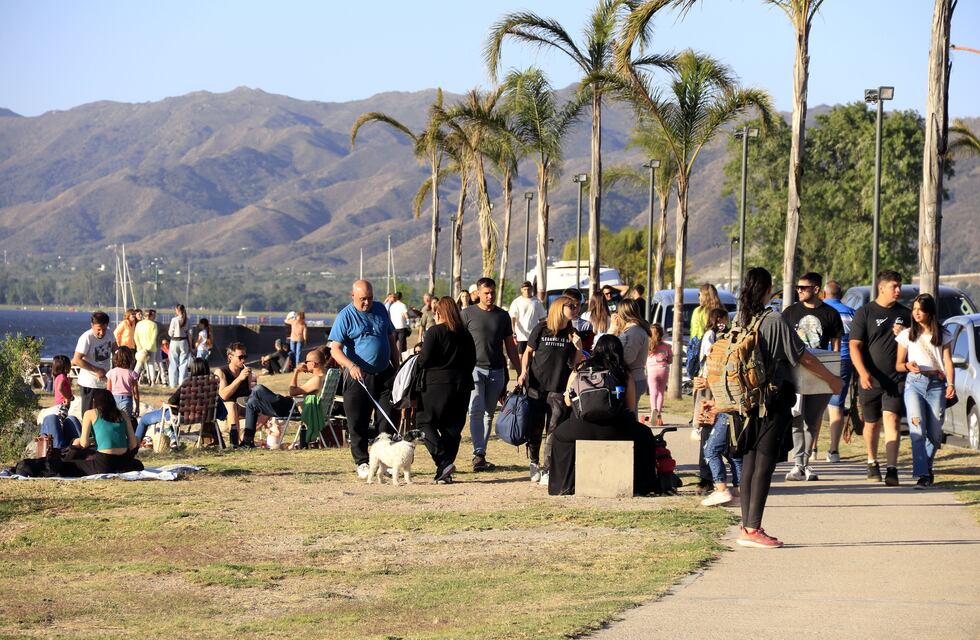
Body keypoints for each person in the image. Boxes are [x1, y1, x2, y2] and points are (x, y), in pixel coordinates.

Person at [731, 267, 842, 548]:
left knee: (751, 461)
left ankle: (747, 526)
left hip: (747, 400)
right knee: (764, 463)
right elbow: (802, 356)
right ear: (767, 289)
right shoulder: (773, 320)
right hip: (773, 398)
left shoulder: (741, 319)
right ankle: (753, 529)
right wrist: (832, 379)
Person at [549, 335, 655, 496]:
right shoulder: (623, 373)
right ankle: (644, 485)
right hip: (616, 428)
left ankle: (563, 485)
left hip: (582, 426)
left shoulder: (580, 369)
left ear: (596, 349)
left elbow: (568, 402)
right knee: (646, 435)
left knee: (560, 436)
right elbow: (630, 406)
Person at [329, 279, 400, 478]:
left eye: (369, 298)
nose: (367, 303)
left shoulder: (380, 309)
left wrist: (398, 365)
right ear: (353, 297)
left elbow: (390, 339)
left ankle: (384, 461)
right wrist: (351, 366)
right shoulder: (345, 316)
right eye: (362, 299)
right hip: (357, 375)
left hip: (385, 372)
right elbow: (335, 349)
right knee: (357, 421)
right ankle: (362, 462)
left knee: (387, 417)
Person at [850, 269, 911, 486]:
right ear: (881, 287)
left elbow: (916, 343)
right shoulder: (865, 313)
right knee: (872, 424)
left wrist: (904, 334)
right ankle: (871, 461)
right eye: (894, 286)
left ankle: (892, 468)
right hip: (870, 379)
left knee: (893, 419)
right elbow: (854, 346)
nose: (898, 290)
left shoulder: (905, 313)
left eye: (899, 286)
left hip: (896, 379)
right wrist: (862, 373)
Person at [781, 272, 843, 481]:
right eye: (797, 287)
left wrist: (834, 375)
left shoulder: (831, 314)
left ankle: (805, 463)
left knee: (813, 420)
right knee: (797, 418)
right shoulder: (789, 313)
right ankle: (798, 464)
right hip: (795, 373)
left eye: (803, 287)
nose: (799, 291)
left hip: (821, 373)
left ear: (816, 289)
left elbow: (835, 346)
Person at [517, 295, 584, 486]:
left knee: (554, 429)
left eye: (577, 306)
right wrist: (523, 373)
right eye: (571, 306)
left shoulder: (573, 333)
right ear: (559, 308)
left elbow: (576, 365)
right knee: (535, 427)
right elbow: (528, 352)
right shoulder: (542, 328)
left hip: (559, 388)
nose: (575, 309)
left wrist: (578, 348)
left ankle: (548, 469)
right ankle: (534, 462)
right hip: (536, 387)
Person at [462, 277, 523, 472]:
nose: (490, 296)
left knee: (489, 414)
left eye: (492, 293)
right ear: (478, 293)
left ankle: (481, 454)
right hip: (474, 369)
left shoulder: (503, 316)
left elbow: (510, 346)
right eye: (486, 293)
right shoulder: (467, 314)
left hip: (496, 370)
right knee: (476, 410)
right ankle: (477, 453)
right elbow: (457, 342)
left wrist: (520, 369)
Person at [896, 293, 955, 489]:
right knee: (917, 429)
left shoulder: (943, 334)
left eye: (920, 310)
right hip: (914, 384)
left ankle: (927, 467)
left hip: (936, 385)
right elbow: (898, 365)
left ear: (930, 312)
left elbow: (948, 362)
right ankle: (922, 474)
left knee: (936, 434)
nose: (916, 313)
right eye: (913, 310)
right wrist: (907, 366)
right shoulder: (906, 335)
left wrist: (951, 384)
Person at [416, 296, 477, 483]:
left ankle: (443, 461)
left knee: (424, 422)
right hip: (463, 384)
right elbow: (473, 360)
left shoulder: (434, 332)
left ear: (439, 312)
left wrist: (416, 357)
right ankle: (445, 470)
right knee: (452, 428)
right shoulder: (466, 334)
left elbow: (424, 360)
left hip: (436, 384)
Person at [695, 308, 742, 507]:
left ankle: (721, 488)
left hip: (728, 410)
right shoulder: (740, 350)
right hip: (733, 408)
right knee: (734, 453)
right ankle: (740, 491)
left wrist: (713, 395)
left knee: (712, 449)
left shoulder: (731, 354)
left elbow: (731, 386)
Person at [242, 349, 326, 448]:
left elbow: (292, 391)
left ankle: (249, 398)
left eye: (306, 362)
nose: (305, 364)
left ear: (313, 364)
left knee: (258, 388)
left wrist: (296, 372)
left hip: (291, 408)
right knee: (252, 403)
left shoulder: (317, 379)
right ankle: (247, 442)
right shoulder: (323, 377)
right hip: (292, 405)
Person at [135, 358, 222, 443]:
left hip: (183, 417)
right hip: (205, 416)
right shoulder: (213, 385)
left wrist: (166, 404)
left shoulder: (188, 383)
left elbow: (172, 401)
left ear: (193, 369)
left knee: (144, 419)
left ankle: (135, 445)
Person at [65, 388, 143, 476]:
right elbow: (133, 444)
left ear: (94, 401)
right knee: (138, 462)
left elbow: (84, 444)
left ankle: (63, 464)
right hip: (124, 462)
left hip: (104, 464)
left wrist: (91, 440)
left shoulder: (90, 413)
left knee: (72, 458)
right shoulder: (122, 414)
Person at [821, 281, 855, 463]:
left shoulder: (821, 310)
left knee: (816, 404)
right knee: (837, 404)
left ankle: (811, 448)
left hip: (821, 359)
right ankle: (833, 450)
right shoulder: (851, 312)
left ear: (824, 295)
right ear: (841, 296)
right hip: (844, 359)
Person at [612, 299, 652, 415]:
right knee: (629, 414)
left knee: (629, 415)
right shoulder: (632, 330)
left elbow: (628, 357)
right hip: (633, 377)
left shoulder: (634, 331)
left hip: (633, 378)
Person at [72, 311, 114, 415]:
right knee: (88, 413)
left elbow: (115, 348)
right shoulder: (86, 337)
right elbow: (77, 359)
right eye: (98, 329)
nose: (101, 332)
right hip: (89, 383)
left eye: (103, 329)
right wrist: (96, 370)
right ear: (92, 325)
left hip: (104, 382)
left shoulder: (109, 333)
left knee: (103, 412)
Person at [215, 342, 255, 446]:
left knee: (265, 407)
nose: (243, 360)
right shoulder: (221, 372)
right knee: (231, 405)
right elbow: (223, 396)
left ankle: (246, 438)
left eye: (245, 356)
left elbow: (249, 392)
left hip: (242, 405)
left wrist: (251, 381)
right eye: (240, 357)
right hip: (225, 410)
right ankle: (235, 442)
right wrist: (239, 379)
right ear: (230, 357)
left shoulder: (246, 372)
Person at [39, 355, 82, 448]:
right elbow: (60, 388)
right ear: (65, 367)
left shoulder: (58, 376)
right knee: (62, 420)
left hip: (59, 403)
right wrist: (68, 397)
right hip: (63, 403)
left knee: (62, 420)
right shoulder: (62, 376)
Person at [509, 281, 547, 355]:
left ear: (532, 289)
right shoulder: (516, 302)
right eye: (525, 289)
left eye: (528, 289)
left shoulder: (537, 302)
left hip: (533, 334)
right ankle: (520, 367)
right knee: (520, 354)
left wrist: (543, 331)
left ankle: (530, 367)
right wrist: (513, 331)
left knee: (532, 354)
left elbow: (542, 318)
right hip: (521, 335)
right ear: (521, 290)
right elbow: (513, 317)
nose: (527, 291)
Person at [645, 323, 672, 426]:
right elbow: (670, 360)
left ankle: (653, 410)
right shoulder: (666, 346)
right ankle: (659, 415)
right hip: (663, 369)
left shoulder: (648, 346)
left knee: (653, 393)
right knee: (661, 393)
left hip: (652, 371)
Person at [106, 347, 139, 420]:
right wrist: (137, 406)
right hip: (126, 400)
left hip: (113, 399)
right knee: (126, 422)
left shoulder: (111, 372)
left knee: (114, 421)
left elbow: (108, 390)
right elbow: (135, 391)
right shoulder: (132, 373)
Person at [134, 308, 160, 387]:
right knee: (151, 364)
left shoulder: (139, 324)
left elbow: (136, 336)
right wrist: (148, 347)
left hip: (141, 348)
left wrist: (139, 346)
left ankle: (133, 380)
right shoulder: (154, 325)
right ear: (150, 316)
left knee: (138, 365)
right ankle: (152, 382)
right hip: (151, 348)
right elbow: (153, 337)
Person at [168, 304, 191, 387]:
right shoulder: (188, 320)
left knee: (173, 362)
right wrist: (190, 346)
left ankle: (173, 383)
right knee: (184, 363)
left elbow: (170, 333)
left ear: (177, 310)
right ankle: (182, 383)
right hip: (184, 341)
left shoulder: (174, 320)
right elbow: (189, 334)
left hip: (174, 341)